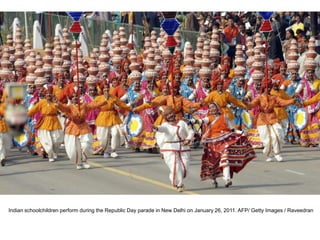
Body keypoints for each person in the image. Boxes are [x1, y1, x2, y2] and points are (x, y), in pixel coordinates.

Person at [198, 102, 256, 187]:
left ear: (217, 108)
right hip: (213, 143)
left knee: (226, 159)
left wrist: (242, 133)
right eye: (210, 108)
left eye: (214, 107)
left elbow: (232, 129)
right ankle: (213, 179)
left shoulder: (224, 117)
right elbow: (202, 121)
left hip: (224, 142)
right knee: (213, 162)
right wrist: (193, 121)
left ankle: (227, 179)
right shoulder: (209, 118)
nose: (212, 109)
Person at [247, 81, 298, 162]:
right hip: (263, 119)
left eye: (270, 87)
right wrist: (245, 103)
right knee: (267, 139)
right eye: (268, 87)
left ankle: (277, 153)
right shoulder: (259, 98)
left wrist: (292, 100)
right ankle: (268, 154)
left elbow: (282, 102)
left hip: (273, 117)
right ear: (263, 88)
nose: (269, 89)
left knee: (277, 135)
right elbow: (252, 105)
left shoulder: (274, 97)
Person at [55, 92, 107, 170]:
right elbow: (62, 107)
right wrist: (57, 103)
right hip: (72, 128)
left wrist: (105, 100)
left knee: (87, 144)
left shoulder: (84, 106)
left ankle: (84, 160)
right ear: (71, 99)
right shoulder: (69, 107)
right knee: (74, 149)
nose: (75, 98)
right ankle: (78, 163)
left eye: (76, 96)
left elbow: (94, 105)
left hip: (84, 127)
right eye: (73, 97)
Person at [153, 106, 194, 192]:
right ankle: (179, 185)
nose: (170, 116)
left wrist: (188, 139)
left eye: (171, 113)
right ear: (165, 117)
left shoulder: (182, 123)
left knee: (185, 168)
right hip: (170, 149)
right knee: (176, 166)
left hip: (183, 147)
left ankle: (173, 177)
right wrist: (156, 128)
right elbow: (161, 129)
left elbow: (190, 132)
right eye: (168, 115)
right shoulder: (165, 125)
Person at [27, 86, 64, 162]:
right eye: (47, 93)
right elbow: (33, 110)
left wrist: (59, 105)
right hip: (45, 123)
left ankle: (53, 153)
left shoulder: (55, 101)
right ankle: (50, 155)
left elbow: (63, 109)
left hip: (55, 122)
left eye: (50, 93)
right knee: (47, 141)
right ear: (45, 95)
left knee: (57, 140)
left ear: (52, 94)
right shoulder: (42, 102)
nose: (48, 95)